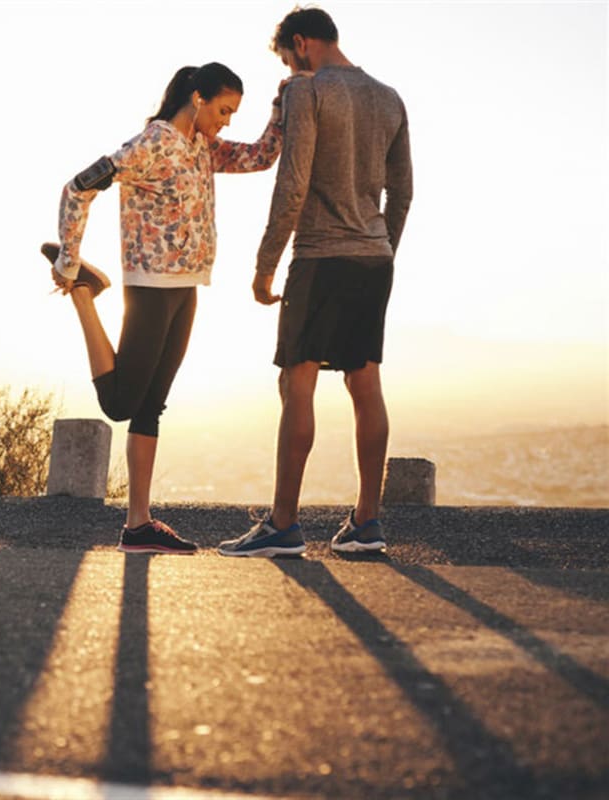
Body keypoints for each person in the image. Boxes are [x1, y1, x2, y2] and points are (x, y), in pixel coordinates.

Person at [46, 62, 285, 555]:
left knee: (151, 405)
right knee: (119, 404)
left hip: (187, 287)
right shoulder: (154, 142)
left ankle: (138, 525)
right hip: (150, 286)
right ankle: (84, 292)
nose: (226, 122)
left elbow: (261, 157)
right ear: (197, 99)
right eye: (223, 110)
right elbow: (78, 186)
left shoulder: (203, 147)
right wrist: (69, 257)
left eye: (233, 114)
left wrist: (285, 103)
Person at [218, 7, 413, 558]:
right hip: (373, 259)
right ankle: (367, 523)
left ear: (301, 43)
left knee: (296, 383)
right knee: (365, 383)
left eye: (287, 59)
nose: (289, 70)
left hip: (320, 257)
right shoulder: (390, 98)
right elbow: (403, 192)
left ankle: (283, 525)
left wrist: (265, 266)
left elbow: (293, 182)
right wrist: (382, 248)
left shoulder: (307, 90)